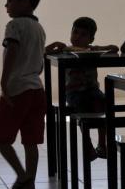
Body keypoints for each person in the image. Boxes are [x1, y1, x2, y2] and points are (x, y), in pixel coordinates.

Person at [0, 0, 46, 189]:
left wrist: (4, 82)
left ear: (26, 2)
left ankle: (23, 177)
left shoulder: (14, 26)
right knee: (30, 142)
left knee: (1, 138)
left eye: (10, 0)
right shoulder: (38, 28)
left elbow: (12, 51)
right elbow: (40, 62)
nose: (7, 6)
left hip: (17, 90)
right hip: (36, 91)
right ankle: (29, 188)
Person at [45, 17, 118, 160]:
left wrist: (99, 48)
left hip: (93, 91)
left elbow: (115, 48)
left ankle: (102, 143)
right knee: (82, 107)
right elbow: (44, 53)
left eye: (83, 35)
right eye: (75, 32)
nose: (77, 37)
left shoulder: (91, 50)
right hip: (73, 93)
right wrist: (53, 45)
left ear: (91, 39)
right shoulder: (64, 51)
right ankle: (88, 144)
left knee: (104, 102)